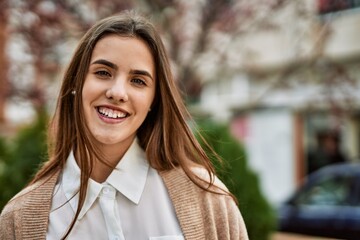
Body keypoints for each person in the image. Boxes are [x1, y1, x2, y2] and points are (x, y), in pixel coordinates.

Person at [0, 11, 248, 240]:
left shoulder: (206, 197)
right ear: (77, 83)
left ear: (154, 100)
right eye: (103, 73)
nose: (118, 92)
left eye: (138, 81)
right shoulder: (18, 219)